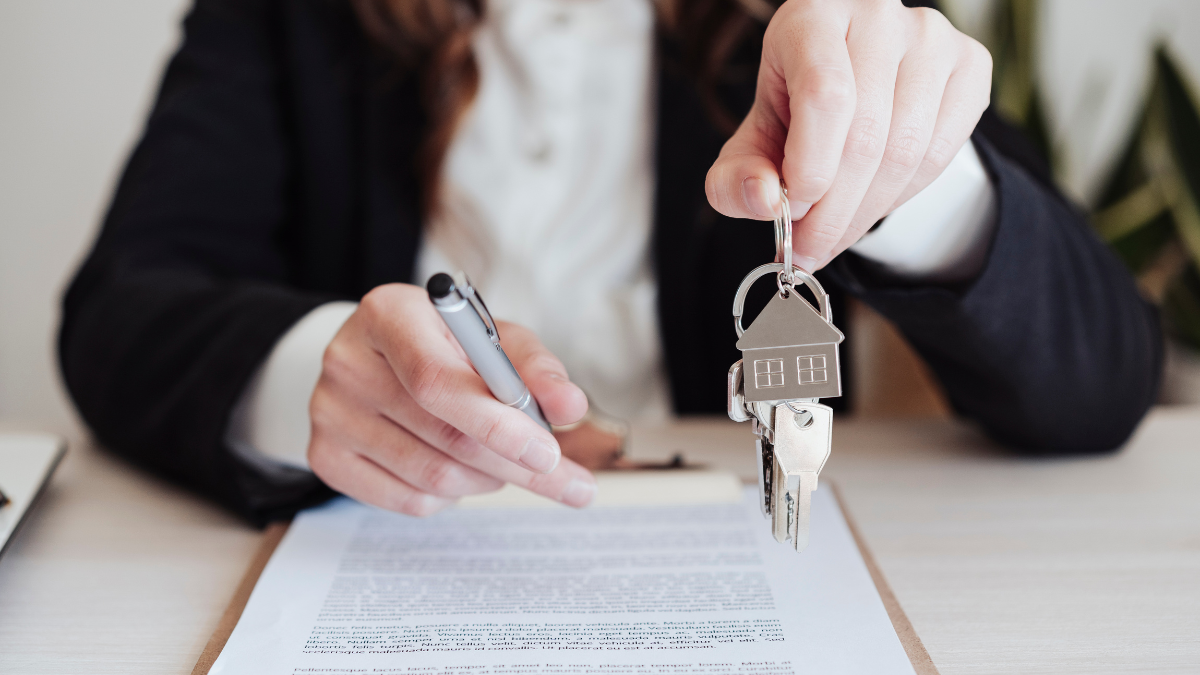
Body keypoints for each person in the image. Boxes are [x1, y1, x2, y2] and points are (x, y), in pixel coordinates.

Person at [59, 0, 1161, 525]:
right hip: (396, 554)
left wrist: (913, 180)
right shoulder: (285, 23)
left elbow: (1104, 373)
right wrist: (318, 376)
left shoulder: (815, 23)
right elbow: (121, 306)